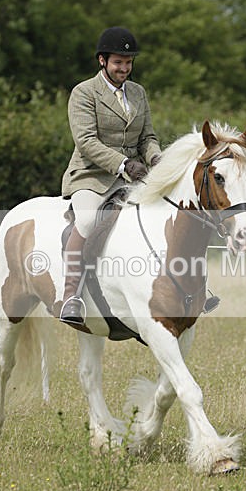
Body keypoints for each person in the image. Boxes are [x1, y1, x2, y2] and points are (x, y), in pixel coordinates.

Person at [59, 26, 162, 324]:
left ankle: (183, 289)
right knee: (89, 220)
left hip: (131, 176)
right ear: (102, 61)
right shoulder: (84, 93)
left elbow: (147, 138)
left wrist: (157, 159)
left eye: (129, 63)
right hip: (90, 176)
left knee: (163, 213)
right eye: (119, 62)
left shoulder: (138, 93)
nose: (125, 68)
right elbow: (87, 142)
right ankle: (71, 297)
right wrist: (124, 164)